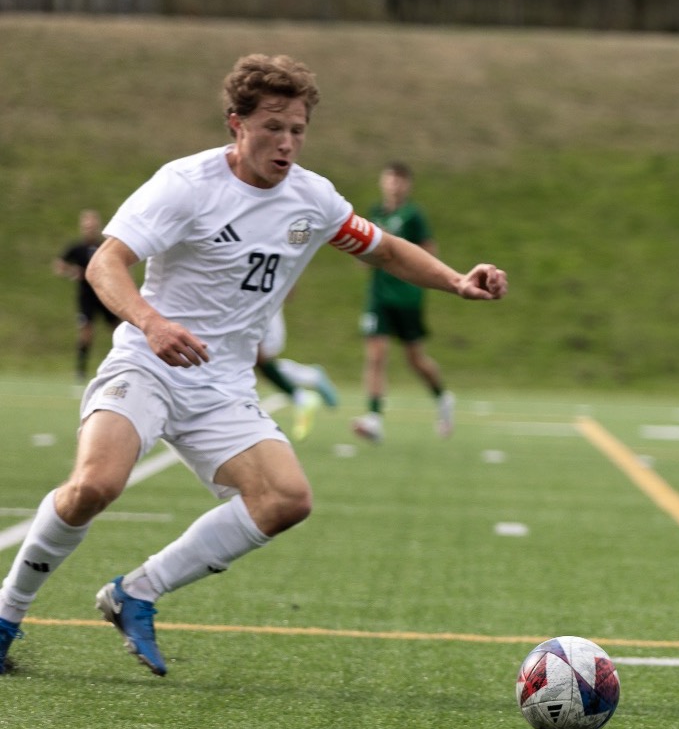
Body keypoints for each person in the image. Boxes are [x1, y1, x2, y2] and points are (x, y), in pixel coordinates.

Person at [0, 55, 508, 676]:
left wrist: (457, 280)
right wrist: (152, 323)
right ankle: (5, 616)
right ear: (236, 124)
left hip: (222, 385)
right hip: (149, 363)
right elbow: (106, 264)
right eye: (273, 127)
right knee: (95, 486)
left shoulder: (313, 199)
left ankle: (135, 593)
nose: (287, 142)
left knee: (286, 499)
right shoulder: (185, 184)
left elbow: (384, 249)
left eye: (298, 129)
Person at [351, 161, 453, 443]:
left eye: (399, 180)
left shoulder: (413, 216)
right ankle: (373, 417)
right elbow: (365, 253)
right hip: (379, 296)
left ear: (407, 184)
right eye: (389, 179)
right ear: (382, 182)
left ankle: (443, 398)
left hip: (407, 295)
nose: (394, 185)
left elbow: (430, 253)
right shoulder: (375, 214)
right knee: (376, 354)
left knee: (415, 359)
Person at [254, 304, 340, 442]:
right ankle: (310, 380)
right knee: (256, 361)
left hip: (261, 310)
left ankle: (303, 394)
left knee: (260, 358)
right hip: (250, 310)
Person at [54, 209, 120, 383]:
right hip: (86, 297)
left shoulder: (103, 247)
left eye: (92, 225)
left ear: (98, 226)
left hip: (105, 295)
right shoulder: (77, 248)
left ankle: (121, 366)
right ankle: (80, 371)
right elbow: (59, 265)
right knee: (86, 333)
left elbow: (117, 264)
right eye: (86, 226)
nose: (89, 228)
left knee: (119, 330)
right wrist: (72, 271)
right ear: (82, 227)